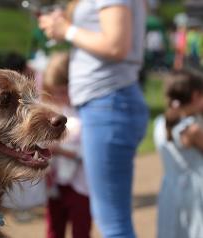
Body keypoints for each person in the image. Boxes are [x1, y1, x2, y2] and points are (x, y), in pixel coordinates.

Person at [39, 1, 149, 237]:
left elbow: (116, 45)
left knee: (112, 222)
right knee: (112, 218)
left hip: (108, 102)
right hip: (108, 102)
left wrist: (67, 30)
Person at [42, 52, 91, 238]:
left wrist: (60, 151)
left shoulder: (85, 114)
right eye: (54, 92)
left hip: (80, 185)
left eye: (63, 91)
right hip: (55, 184)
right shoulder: (54, 111)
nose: (59, 96)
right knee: (54, 229)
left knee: (81, 230)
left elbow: (88, 153)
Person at [157, 71, 203, 238]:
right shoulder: (192, 130)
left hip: (170, 191)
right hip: (194, 193)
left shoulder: (160, 123)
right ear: (196, 96)